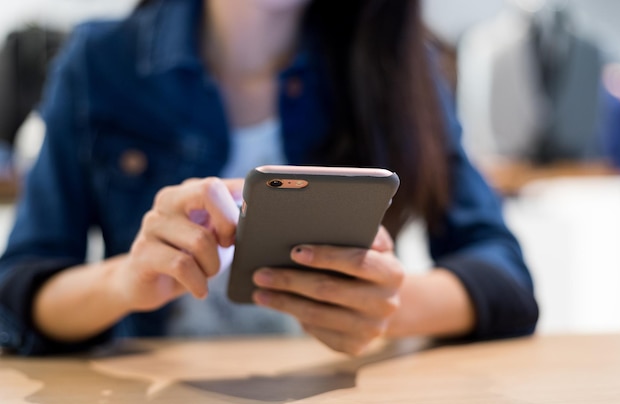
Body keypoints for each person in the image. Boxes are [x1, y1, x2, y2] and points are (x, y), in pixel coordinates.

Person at [0, 0, 539, 356]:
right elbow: (20, 292)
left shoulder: (397, 61)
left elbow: (506, 281)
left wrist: (388, 308)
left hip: (344, 396)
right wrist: (123, 282)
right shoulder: (100, 63)